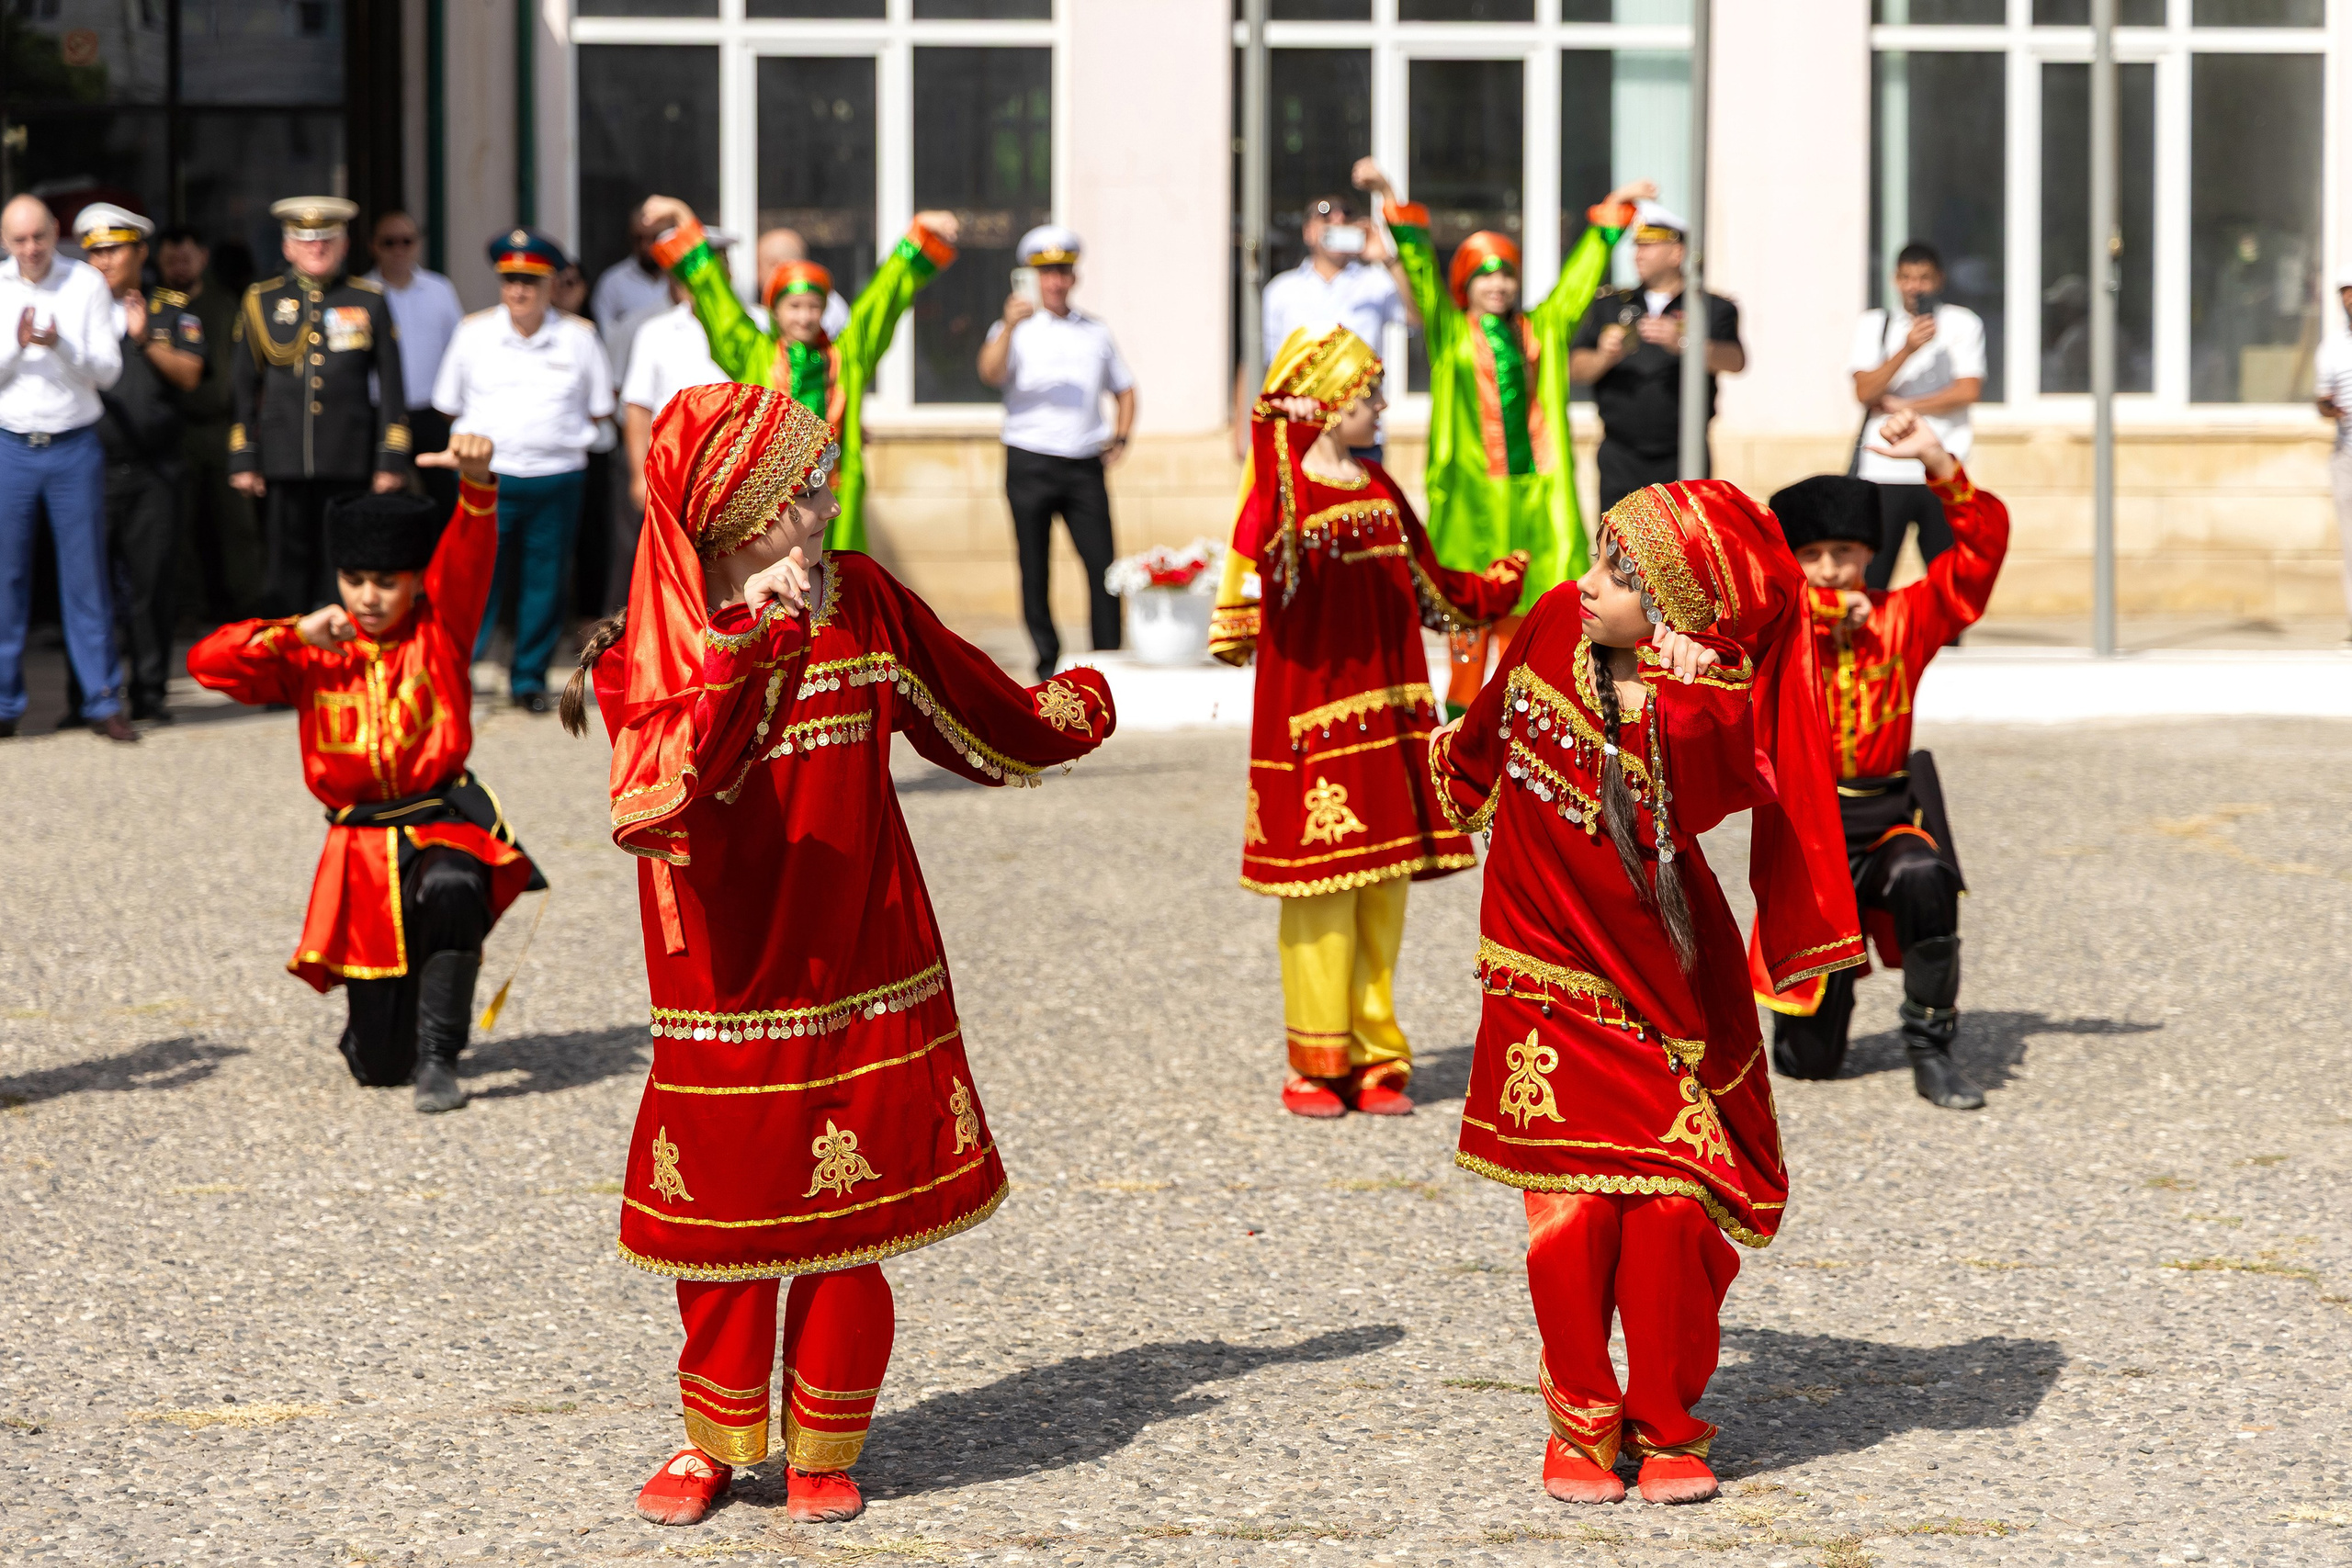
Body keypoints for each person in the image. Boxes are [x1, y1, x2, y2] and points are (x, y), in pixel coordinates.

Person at [563, 383, 1114, 1528]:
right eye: (796, 487)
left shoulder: (861, 598)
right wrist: (760, 639)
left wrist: (1069, 711)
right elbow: (674, 791)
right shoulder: (647, 659)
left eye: (821, 476)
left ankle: (824, 1440)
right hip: (726, 986)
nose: (824, 500)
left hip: (866, 959)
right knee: (721, 1231)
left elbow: (971, 704)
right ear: (731, 517)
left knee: (851, 1221)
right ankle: (712, 1440)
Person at [1427, 480, 1860, 1508]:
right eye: (1598, 557)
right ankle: (1579, 1422)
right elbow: (1475, 747)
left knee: (1672, 1207)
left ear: (1678, 610)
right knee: (1571, 1210)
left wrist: (1702, 684)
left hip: (1665, 982)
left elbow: (1724, 782)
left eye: (1622, 577)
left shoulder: (1703, 710)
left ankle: (1666, 1421)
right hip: (1541, 975)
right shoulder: (1542, 628)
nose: (1587, 585)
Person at [1212, 326, 1524, 1118]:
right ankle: (1316, 1061)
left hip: (1391, 720)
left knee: (1383, 891)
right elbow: (1249, 560)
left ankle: (1379, 1053)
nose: (1381, 406)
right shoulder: (1283, 493)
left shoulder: (1379, 484)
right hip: (1311, 723)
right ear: (1326, 407)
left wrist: (1489, 589)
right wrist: (1273, 439)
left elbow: (1428, 583)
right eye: (1366, 396)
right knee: (1319, 897)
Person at [187, 434, 545, 1113]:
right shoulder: (314, 648)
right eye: (356, 582)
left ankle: (443, 1052)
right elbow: (207, 663)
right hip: (358, 851)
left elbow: (470, 549)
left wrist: (476, 483)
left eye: (387, 582)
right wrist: (292, 632)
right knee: (378, 1067)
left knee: (454, 884)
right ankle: (394, 1026)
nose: (370, 597)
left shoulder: (442, 627)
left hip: (438, 825)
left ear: (415, 580)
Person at [1755, 412, 2008, 1111]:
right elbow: (1735, 611)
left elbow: (1979, 556)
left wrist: (1939, 462)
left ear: (1869, 551)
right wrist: (1817, 613)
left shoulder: (1906, 616)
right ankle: (1814, 1022)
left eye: (1844, 550)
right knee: (1808, 1064)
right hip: (1811, 839)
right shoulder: (1777, 631)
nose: (1830, 568)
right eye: (1811, 556)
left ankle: (1931, 1044)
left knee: (1927, 874)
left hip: (1890, 818)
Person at [1363, 164, 1654, 716]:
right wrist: (1387, 196)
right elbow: (1420, 269)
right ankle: (1459, 735)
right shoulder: (1450, 330)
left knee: (1531, 622)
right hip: (1473, 496)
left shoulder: (1542, 328)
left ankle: (1522, 728)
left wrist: (1613, 211)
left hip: (1538, 495)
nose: (1497, 286)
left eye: (1507, 275)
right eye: (1484, 276)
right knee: (1470, 621)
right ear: (1465, 284)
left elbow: (1576, 281)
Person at [635, 195, 961, 554]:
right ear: (774, 311)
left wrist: (920, 232)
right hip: (768, 494)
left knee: (837, 582)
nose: (804, 317)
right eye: (794, 307)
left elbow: (881, 300)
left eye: (813, 307)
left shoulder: (847, 356)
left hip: (837, 489)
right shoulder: (754, 353)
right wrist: (682, 216)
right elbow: (715, 295)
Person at [433, 229, 616, 714]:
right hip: (488, 477)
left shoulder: (579, 338)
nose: (519, 291)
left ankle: (528, 677)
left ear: (550, 283)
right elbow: (448, 404)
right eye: (510, 280)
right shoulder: (473, 334)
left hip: (558, 476)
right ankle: (459, 673)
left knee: (545, 579)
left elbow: (600, 408)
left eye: (530, 282)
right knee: (477, 578)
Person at [230, 196, 413, 618]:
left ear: (344, 245)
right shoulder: (261, 299)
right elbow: (242, 384)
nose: (316, 248)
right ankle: (287, 660)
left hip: (349, 457)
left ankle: (341, 666)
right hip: (282, 458)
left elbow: (391, 386)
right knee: (282, 570)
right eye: (306, 240)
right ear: (288, 246)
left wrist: (391, 458)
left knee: (344, 567)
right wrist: (243, 456)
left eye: (326, 240)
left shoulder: (369, 299)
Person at [0, 192, 132, 743]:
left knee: (86, 581)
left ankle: (101, 699)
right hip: (10, 447)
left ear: (56, 232)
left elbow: (108, 370)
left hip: (73, 445)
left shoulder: (84, 284)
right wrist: (16, 346)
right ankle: (5, 704)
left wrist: (60, 347)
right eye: (19, 240)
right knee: (6, 582)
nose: (31, 249)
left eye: (39, 237)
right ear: (6, 242)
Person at [978, 226, 1136, 682]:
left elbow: (1125, 389)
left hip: (1083, 461)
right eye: (1046, 273)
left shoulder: (1095, 331)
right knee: (1034, 565)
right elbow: (989, 372)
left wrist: (1121, 437)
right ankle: (1047, 662)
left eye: (1063, 272)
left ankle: (1108, 659)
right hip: (1029, 458)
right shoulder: (1014, 329)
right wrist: (1009, 324)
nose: (1055, 282)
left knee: (1103, 565)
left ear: (1073, 277)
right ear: (1030, 277)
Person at [78, 204, 207, 725]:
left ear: (140, 252)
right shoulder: (74, 308)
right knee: (89, 588)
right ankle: (88, 694)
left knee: (152, 585)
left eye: (114, 249)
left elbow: (191, 374)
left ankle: (150, 691)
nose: (104, 260)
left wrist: (145, 340)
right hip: (91, 465)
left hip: (155, 469)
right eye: (95, 251)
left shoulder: (171, 308)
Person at [1569, 203, 1747, 513]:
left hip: (1682, 451)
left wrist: (1686, 343)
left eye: (1649, 246)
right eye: (1637, 246)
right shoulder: (1610, 305)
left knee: (1684, 547)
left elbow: (1735, 360)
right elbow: (1575, 370)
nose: (1638, 254)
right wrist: (1605, 356)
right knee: (1619, 551)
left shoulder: (1709, 306)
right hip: (1620, 454)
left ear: (1677, 253)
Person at [1232, 183, 1414, 462]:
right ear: (1308, 232)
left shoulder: (1378, 283)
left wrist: (1388, 259)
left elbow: (1417, 318)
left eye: (1346, 217)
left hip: (1362, 437)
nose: (1337, 220)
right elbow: (1259, 360)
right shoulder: (1281, 290)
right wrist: (1242, 433)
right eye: (1325, 216)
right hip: (1297, 430)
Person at [1848, 242, 1984, 595]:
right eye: (1907, 278)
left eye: (1923, 278)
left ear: (1938, 280)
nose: (1914, 287)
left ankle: (1951, 650)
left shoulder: (1961, 323)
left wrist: (1904, 404)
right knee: (1872, 578)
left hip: (1942, 464)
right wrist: (1907, 349)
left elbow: (1968, 390)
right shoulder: (1875, 323)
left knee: (1949, 579)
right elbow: (1864, 391)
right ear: (1895, 280)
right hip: (1882, 468)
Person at [157, 222, 262, 622]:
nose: (179, 267)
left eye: (186, 258)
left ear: (202, 257)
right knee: (178, 526)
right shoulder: (154, 306)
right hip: (174, 428)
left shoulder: (227, 305)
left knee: (237, 523)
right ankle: (187, 609)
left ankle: (248, 607)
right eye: (171, 260)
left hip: (223, 426)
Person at [364, 209, 467, 517]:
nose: (398, 250)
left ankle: (440, 567)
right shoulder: (361, 293)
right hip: (378, 413)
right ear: (373, 246)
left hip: (431, 412)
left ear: (418, 244)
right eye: (389, 242)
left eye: (406, 241)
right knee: (381, 501)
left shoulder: (440, 290)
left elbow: (459, 351)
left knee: (445, 500)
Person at [2311, 267, 2352, 641]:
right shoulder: (2333, 348)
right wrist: (2328, 408)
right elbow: (2322, 401)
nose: (2351, 299)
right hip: (2347, 457)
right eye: (2346, 293)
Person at [592, 209, 673, 345]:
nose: (645, 246)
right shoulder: (613, 283)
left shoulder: (681, 280)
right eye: (639, 238)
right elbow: (606, 341)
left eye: (654, 238)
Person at [753, 226, 851, 340]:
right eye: (795, 306)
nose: (804, 318)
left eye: (758, 266)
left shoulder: (830, 305)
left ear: (777, 266)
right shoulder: (829, 298)